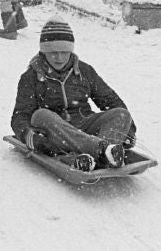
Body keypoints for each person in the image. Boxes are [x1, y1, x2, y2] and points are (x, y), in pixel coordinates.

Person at [11, 17, 138, 172]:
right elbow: (20, 116)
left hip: (84, 125)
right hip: (56, 132)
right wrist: (28, 135)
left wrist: (128, 130)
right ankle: (102, 152)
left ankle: (83, 158)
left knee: (121, 114)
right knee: (41, 115)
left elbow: (111, 100)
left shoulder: (85, 71)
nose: (59, 58)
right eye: (53, 52)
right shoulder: (30, 77)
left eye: (64, 52)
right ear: (43, 52)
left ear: (71, 50)